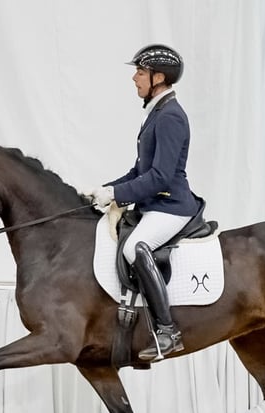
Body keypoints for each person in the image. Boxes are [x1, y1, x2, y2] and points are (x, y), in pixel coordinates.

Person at [83, 44, 203, 362]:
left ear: (158, 77)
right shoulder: (157, 114)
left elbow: (161, 177)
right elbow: (140, 171)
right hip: (154, 205)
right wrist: (108, 189)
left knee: (133, 246)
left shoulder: (170, 117)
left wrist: (119, 196)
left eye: (140, 72)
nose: (134, 78)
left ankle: (167, 331)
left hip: (172, 206)